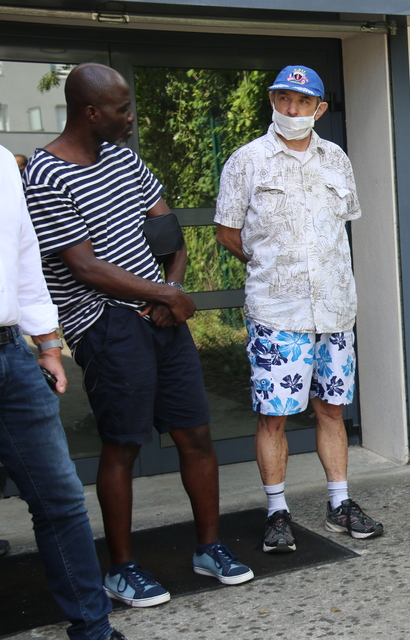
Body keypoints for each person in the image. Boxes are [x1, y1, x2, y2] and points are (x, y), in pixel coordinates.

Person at [22, 62, 252, 608]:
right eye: (122, 109)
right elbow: (84, 267)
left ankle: (209, 547)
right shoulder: (46, 174)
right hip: (105, 321)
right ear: (91, 111)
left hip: (159, 316)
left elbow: (170, 234)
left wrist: (170, 292)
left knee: (195, 433)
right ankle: (121, 568)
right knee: (122, 444)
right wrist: (168, 297)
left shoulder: (126, 160)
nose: (131, 118)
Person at [215, 65, 383, 549]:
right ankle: (277, 511)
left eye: (302, 102)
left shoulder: (337, 160)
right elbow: (229, 232)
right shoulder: (247, 161)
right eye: (283, 99)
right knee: (274, 415)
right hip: (277, 309)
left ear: (319, 109)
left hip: (334, 308)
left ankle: (339, 503)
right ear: (272, 100)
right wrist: (274, 265)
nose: (291, 110)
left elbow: (340, 226)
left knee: (332, 409)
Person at [0, 144, 127, 640]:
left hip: (11, 351)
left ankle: (93, 629)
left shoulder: (3, 164)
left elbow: (24, 255)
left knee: (60, 498)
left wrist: (48, 343)